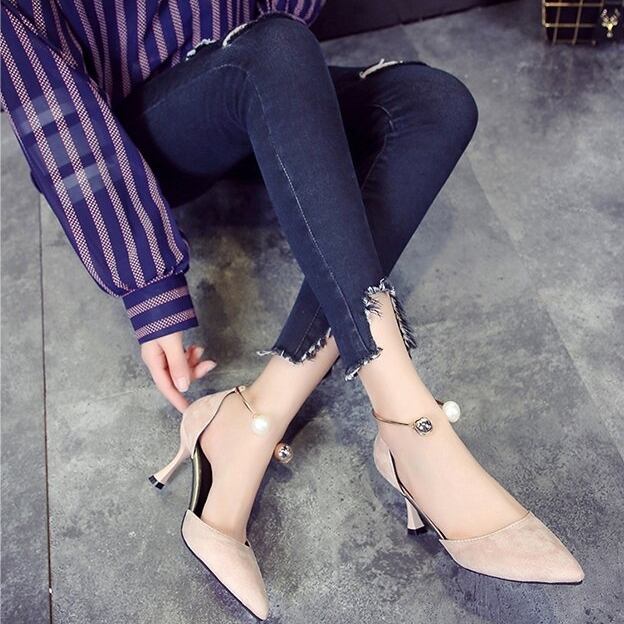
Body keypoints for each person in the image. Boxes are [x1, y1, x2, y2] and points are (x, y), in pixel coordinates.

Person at [0, 1, 584, 620]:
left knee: (436, 103)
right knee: (273, 49)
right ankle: (411, 423)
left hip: (257, 71)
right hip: (141, 130)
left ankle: (256, 413)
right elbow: (50, 102)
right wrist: (150, 290)